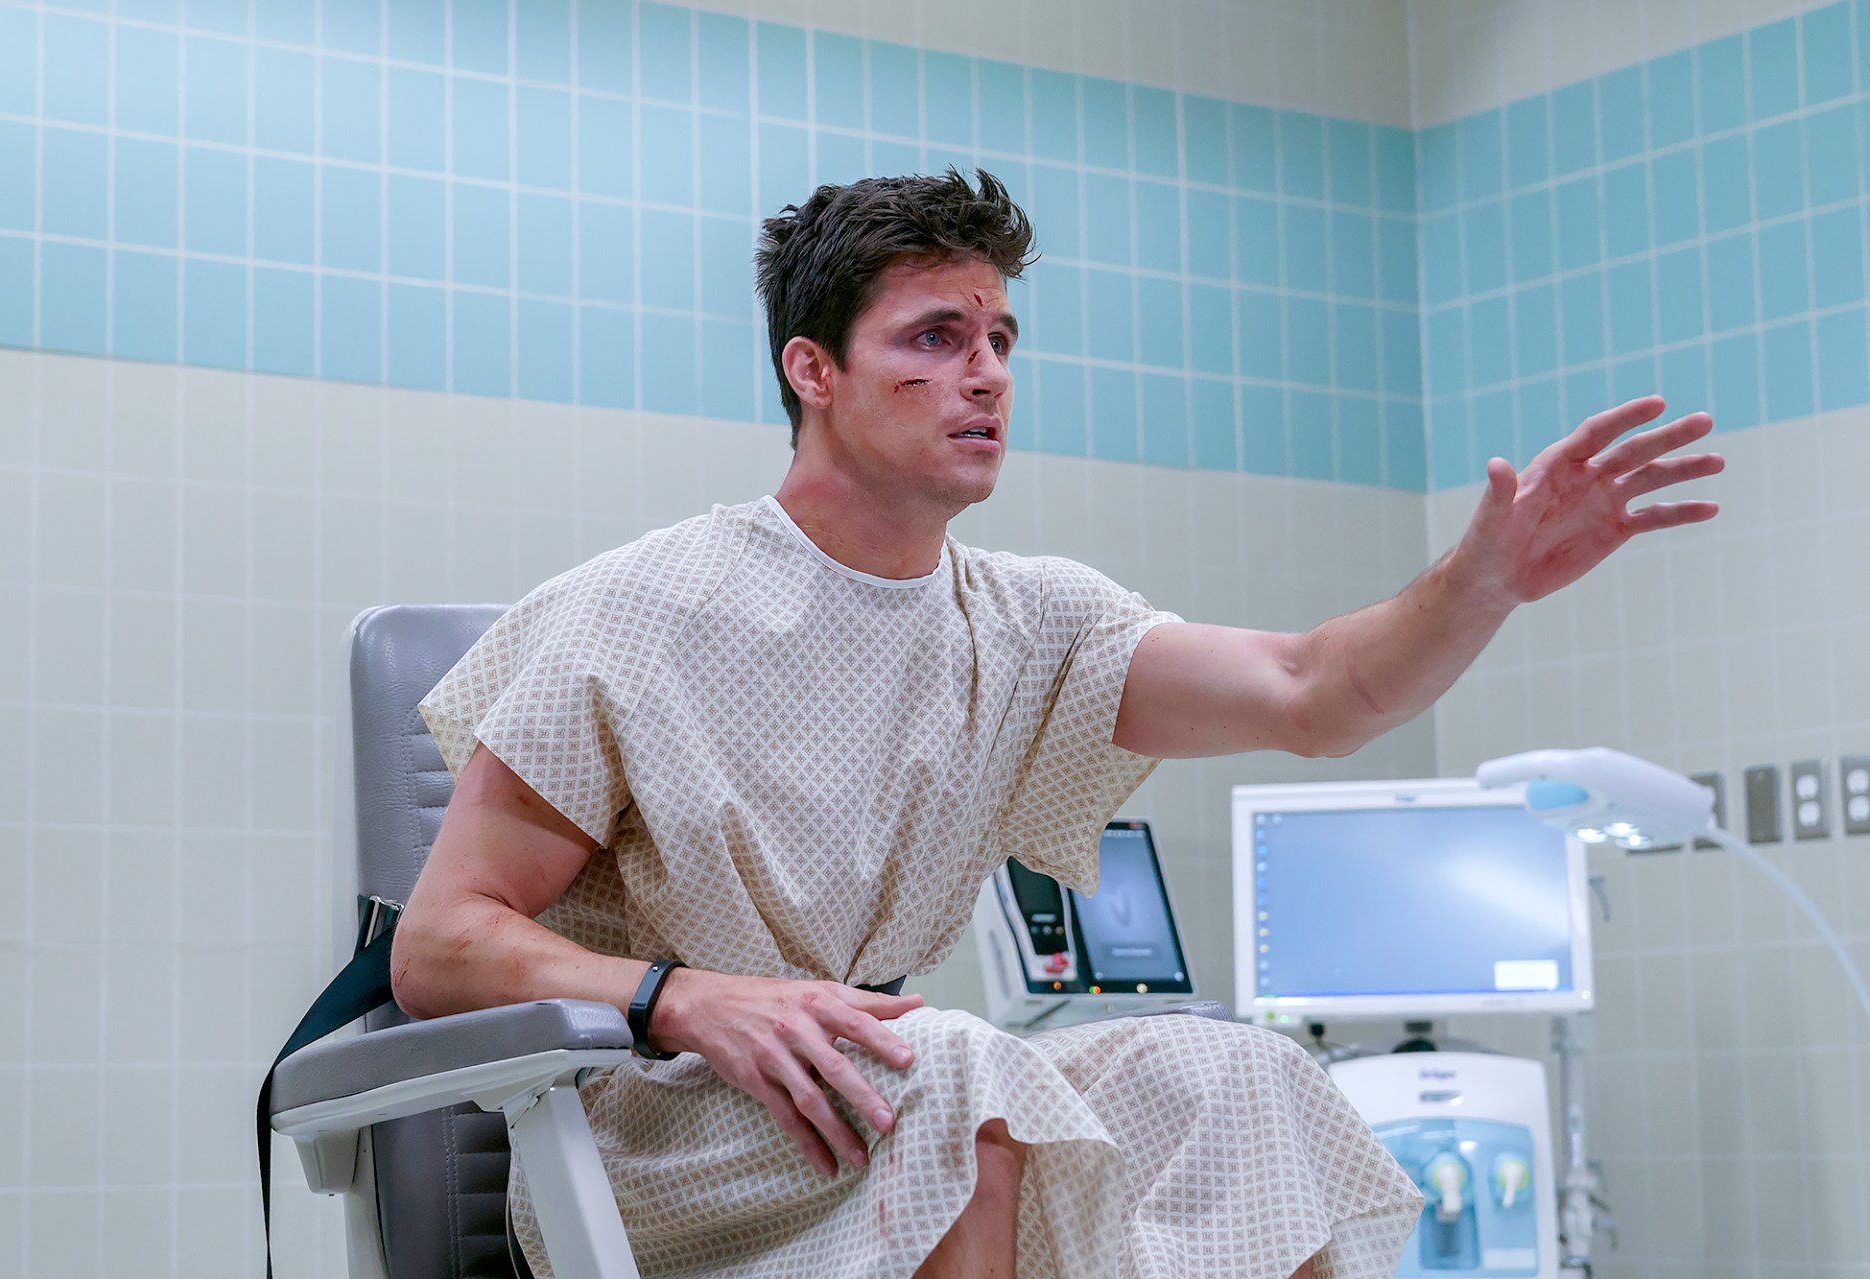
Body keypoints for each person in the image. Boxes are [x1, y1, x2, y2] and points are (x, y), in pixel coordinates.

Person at [391, 169, 1722, 1279]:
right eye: (935, 339)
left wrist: (1481, 584)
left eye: (1000, 341)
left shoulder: (1032, 624)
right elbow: (442, 945)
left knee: (1234, 1080)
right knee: (951, 1064)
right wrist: (683, 999)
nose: (986, 375)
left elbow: (1314, 694)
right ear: (814, 370)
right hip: (668, 1140)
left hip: (876, 1091)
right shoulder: (643, 610)